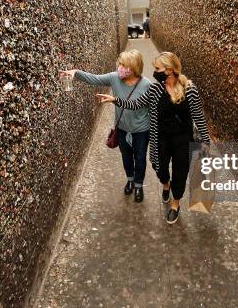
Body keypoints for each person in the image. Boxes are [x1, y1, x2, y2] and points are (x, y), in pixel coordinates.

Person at [96, 51, 212, 224]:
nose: (154, 72)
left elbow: (198, 117)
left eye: (158, 68)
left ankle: (175, 204)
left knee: (181, 172)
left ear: (170, 69)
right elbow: (136, 104)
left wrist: (205, 141)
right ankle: (166, 185)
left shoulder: (190, 89)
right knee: (159, 167)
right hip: (161, 137)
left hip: (183, 139)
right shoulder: (156, 89)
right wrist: (115, 100)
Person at [59, 50, 151, 202]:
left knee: (140, 158)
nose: (120, 67)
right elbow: (94, 79)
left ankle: (139, 185)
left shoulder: (146, 85)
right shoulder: (114, 78)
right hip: (121, 128)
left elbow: (151, 109)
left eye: (124, 65)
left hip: (141, 129)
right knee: (126, 156)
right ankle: (130, 179)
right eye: (120, 63)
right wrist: (76, 73)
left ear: (134, 67)